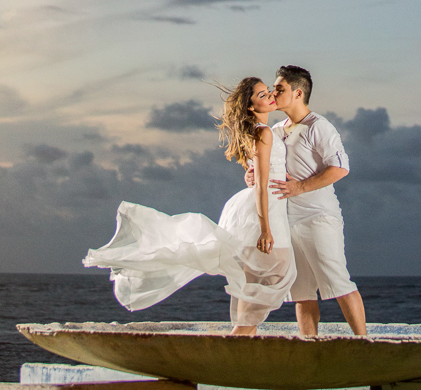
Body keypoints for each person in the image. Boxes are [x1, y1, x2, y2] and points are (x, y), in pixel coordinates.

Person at [83, 78, 295, 334]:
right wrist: (265, 228)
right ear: (251, 107)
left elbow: (259, 173)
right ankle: (238, 341)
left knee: (253, 285)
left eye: (267, 91)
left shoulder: (257, 132)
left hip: (258, 207)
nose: (271, 95)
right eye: (262, 94)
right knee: (277, 275)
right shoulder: (264, 132)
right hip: (265, 211)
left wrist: (265, 178)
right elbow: (261, 183)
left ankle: (239, 344)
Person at [247, 65, 366, 337]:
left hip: (318, 217)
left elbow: (340, 168)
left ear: (298, 93)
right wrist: (252, 176)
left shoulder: (319, 126)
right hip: (287, 221)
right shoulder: (276, 130)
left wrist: (300, 186)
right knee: (300, 292)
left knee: (337, 280)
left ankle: (364, 342)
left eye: (280, 89)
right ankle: (308, 344)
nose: (273, 93)